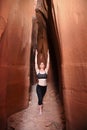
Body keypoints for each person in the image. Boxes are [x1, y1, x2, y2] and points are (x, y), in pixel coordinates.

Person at [35, 49, 49, 115]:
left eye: (43, 64)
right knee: (40, 98)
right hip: (39, 87)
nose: (42, 65)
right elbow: (35, 63)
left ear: (44, 66)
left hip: (44, 87)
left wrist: (48, 55)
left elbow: (48, 63)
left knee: (41, 98)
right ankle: (40, 110)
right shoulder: (38, 71)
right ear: (40, 66)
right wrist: (36, 55)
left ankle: (40, 104)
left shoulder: (46, 71)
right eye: (41, 64)